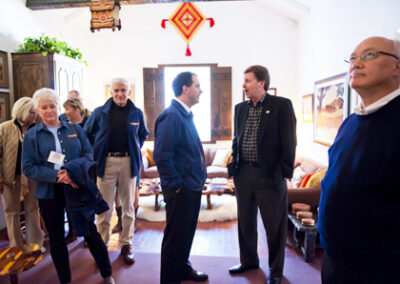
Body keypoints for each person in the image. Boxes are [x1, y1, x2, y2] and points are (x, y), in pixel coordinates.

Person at [318, 36, 400, 284]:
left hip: (378, 270)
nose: (356, 63)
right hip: (335, 261)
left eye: (370, 55)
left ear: (397, 67)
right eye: (352, 58)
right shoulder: (350, 122)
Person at [22, 88, 114, 284]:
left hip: (76, 186)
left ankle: (107, 274)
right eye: (44, 107)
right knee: (56, 239)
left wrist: (70, 171)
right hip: (49, 191)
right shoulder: (31, 136)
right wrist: (57, 175)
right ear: (37, 110)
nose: (49, 111)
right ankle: (65, 280)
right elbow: (29, 168)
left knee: (90, 232)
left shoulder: (75, 129)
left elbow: (89, 156)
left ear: (58, 107)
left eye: (52, 106)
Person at [227, 65, 296, 284]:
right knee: (245, 223)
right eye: (244, 80)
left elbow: (289, 141)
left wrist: (285, 173)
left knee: (274, 227)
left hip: (270, 176)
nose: (243, 85)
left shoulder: (281, 105)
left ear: (261, 83)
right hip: (243, 173)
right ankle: (248, 261)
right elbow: (236, 139)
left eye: (247, 80)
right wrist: (233, 167)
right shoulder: (240, 109)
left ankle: (275, 271)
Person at [84, 77, 149, 265]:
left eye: (123, 90)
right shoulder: (99, 112)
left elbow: (143, 134)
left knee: (128, 208)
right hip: (106, 164)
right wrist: (96, 153)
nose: (120, 94)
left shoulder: (136, 113)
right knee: (104, 209)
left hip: (128, 163)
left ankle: (126, 245)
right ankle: (102, 247)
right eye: (116, 90)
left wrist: (134, 148)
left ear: (129, 92)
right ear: (110, 92)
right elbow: (87, 134)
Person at [154, 71, 208, 284]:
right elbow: (162, 155)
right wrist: (176, 185)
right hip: (181, 189)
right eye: (197, 85)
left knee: (185, 235)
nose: (200, 89)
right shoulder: (172, 115)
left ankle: (183, 268)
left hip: (190, 187)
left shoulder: (183, 114)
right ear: (185, 89)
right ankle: (169, 279)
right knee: (175, 238)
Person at [0, 97, 43, 249]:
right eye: (32, 112)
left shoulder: (37, 129)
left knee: (33, 209)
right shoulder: (4, 128)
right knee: (12, 213)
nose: (35, 115)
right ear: (22, 112)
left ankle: (35, 244)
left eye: (35, 112)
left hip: (32, 177)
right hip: (9, 178)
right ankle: (16, 246)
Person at [62, 97, 91, 244]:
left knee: (86, 202)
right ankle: (73, 231)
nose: (65, 112)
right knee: (70, 202)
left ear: (76, 110)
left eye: (67, 109)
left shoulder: (88, 123)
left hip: (86, 168)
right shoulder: (64, 125)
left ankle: (88, 234)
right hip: (70, 170)